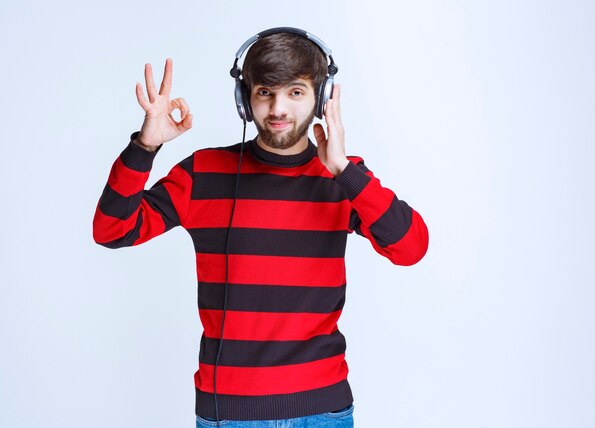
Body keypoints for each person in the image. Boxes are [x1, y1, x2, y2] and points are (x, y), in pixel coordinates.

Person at [93, 28, 429, 428]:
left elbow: (411, 249)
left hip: (322, 412)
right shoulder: (204, 173)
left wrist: (342, 169)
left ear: (321, 99)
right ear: (245, 98)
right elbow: (112, 230)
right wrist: (144, 147)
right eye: (265, 92)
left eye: (296, 92)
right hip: (229, 416)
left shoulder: (344, 178)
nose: (278, 109)